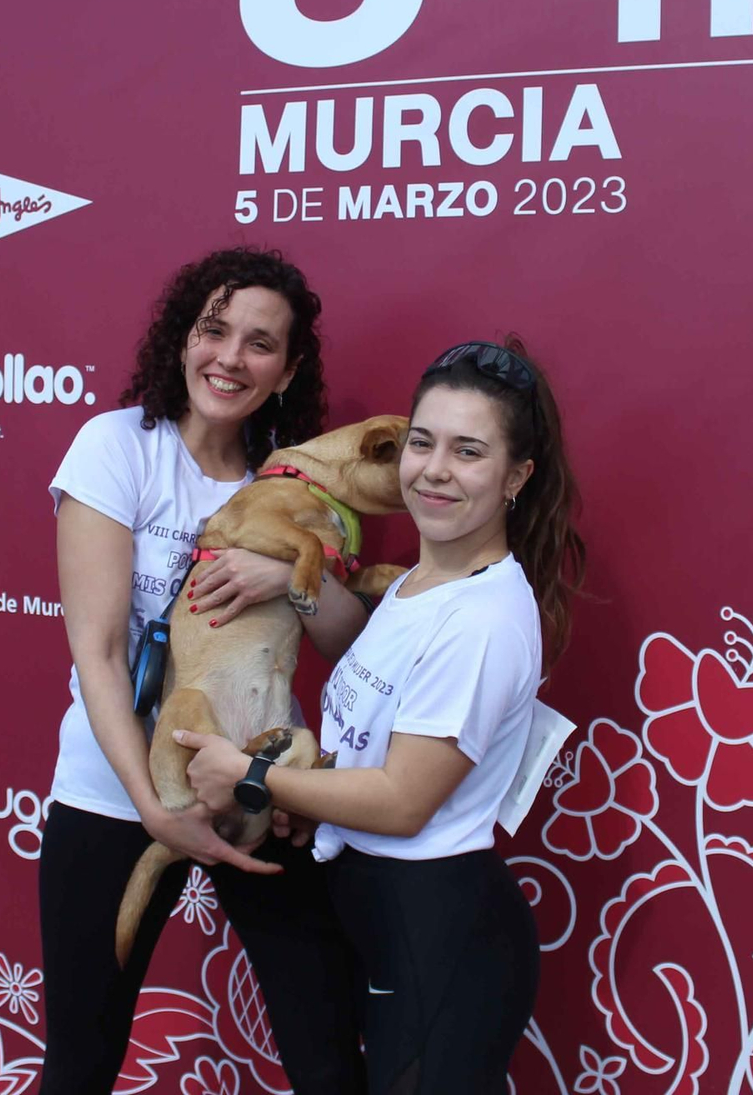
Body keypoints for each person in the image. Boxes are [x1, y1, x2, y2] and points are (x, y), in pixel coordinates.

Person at [178, 337, 586, 1094]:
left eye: (468, 452)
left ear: (516, 477)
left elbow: (401, 801)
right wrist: (309, 796)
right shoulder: (415, 585)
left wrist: (253, 775)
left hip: (443, 944)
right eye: (423, 442)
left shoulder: (484, 619)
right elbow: (370, 742)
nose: (434, 468)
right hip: (382, 920)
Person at [39, 247, 367, 1094]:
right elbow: (101, 655)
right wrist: (157, 810)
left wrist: (286, 579)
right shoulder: (116, 447)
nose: (229, 357)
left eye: (260, 343)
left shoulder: (290, 476)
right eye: (213, 329)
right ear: (181, 337)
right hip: (116, 794)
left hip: (259, 781)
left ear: (289, 368)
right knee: (81, 1061)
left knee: (327, 1050)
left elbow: (347, 638)